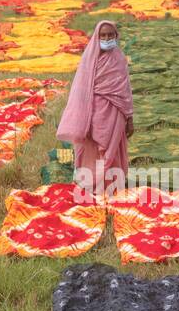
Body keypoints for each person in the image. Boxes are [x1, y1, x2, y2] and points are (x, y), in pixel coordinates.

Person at [56, 20, 133, 198]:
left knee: (112, 151)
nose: (107, 38)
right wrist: (83, 119)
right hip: (94, 114)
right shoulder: (89, 60)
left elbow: (126, 91)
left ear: (116, 36)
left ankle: (111, 187)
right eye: (103, 36)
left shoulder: (120, 59)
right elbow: (81, 91)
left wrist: (129, 118)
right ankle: (90, 185)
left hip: (115, 114)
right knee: (92, 149)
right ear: (97, 38)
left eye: (110, 35)